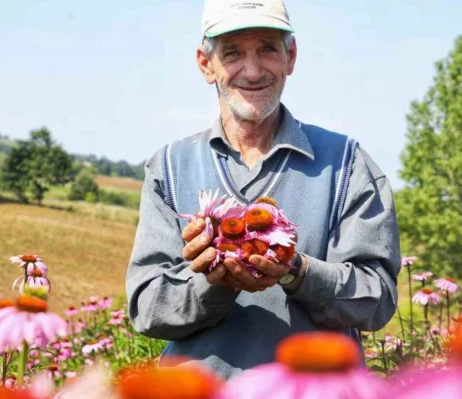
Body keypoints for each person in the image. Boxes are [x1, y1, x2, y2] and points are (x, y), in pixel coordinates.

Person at [125, 0, 401, 380]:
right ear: (206, 65)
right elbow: (147, 308)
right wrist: (211, 283)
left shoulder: (347, 164)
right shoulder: (170, 167)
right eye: (233, 53)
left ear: (291, 56)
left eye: (268, 48)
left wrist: (297, 270)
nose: (252, 71)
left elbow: (377, 300)